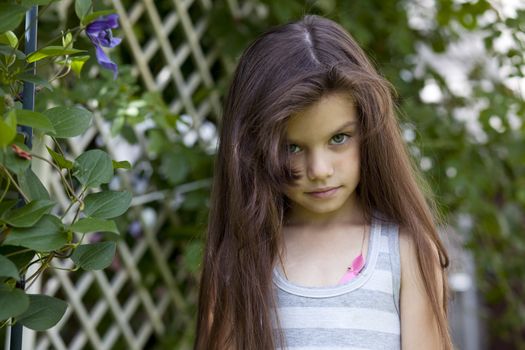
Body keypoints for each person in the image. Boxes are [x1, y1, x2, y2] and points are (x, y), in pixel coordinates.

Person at [194, 15, 453, 350]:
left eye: (339, 138)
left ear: (369, 130)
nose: (319, 169)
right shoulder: (241, 259)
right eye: (292, 147)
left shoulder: (406, 250)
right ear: (252, 149)